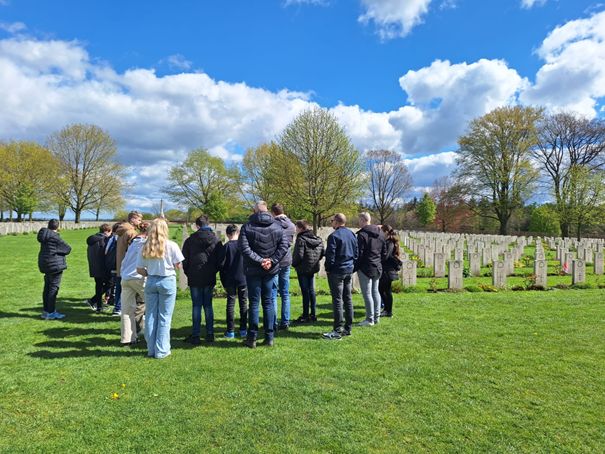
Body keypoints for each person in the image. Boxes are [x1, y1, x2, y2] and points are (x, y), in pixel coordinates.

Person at [238, 201, 289, 348]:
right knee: (268, 302)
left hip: (254, 269)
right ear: (267, 211)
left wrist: (262, 261)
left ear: (255, 210)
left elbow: (244, 249)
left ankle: (252, 338)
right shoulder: (278, 226)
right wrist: (270, 261)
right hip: (269, 270)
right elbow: (284, 246)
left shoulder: (247, 226)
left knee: (254, 303)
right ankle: (269, 337)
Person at [136, 218, 184, 359]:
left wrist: (150, 272)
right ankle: (162, 350)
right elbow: (178, 265)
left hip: (151, 281)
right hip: (167, 280)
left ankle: (151, 349)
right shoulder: (171, 245)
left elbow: (139, 269)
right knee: (164, 317)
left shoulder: (145, 246)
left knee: (150, 316)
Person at [182, 215, 221, 345]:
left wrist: (189, 272)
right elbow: (220, 260)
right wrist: (213, 271)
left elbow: (185, 260)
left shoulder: (190, 240)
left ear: (197, 225)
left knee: (196, 305)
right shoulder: (215, 240)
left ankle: (196, 334)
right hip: (209, 275)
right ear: (208, 223)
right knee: (208, 305)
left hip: (194, 275)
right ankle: (210, 334)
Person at [322, 213, 358, 340]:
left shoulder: (334, 236)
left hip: (337, 271)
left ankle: (337, 330)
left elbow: (330, 256)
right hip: (348, 269)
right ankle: (348, 328)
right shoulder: (352, 234)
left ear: (337, 222)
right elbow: (356, 253)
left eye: (332, 221)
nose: (331, 223)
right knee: (347, 298)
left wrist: (328, 269)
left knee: (337, 300)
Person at [119, 221, 148, 346]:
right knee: (154, 304)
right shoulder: (145, 243)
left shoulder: (133, 242)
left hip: (126, 277)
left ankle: (127, 338)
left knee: (126, 310)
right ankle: (152, 336)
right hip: (139, 277)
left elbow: (124, 261)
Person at [355, 212, 387, 327]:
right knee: (375, 292)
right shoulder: (381, 233)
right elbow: (384, 252)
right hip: (377, 266)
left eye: (359, 220)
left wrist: (355, 267)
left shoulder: (362, 234)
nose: (358, 222)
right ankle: (376, 317)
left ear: (363, 220)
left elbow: (359, 254)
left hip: (365, 268)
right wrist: (377, 261)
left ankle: (369, 319)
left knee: (367, 293)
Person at [217, 224, 248, 339]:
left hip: (230, 278)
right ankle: (243, 329)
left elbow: (221, 265)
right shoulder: (243, 246)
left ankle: (230, 330)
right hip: (243, 278)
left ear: (227, 234)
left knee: (230, 304)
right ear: (238, 233)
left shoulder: (226, 247)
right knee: (243, 303)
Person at [37, 219, 72, 320]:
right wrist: (59, 252)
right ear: (57, 227)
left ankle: (46, 311)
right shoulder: (55, 237)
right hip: (55, 265)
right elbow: (68, 248)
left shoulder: (43, 235)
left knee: (47, 287)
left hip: (45, 263)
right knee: (53, 288)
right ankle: (51, 312)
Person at [291, 220, 324, 323]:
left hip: (302, 269)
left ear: (301, 228)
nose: (295, 230)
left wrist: (294, 264)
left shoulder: (301, 239)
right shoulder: (317, 239)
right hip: (313, 268)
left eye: (296, 228)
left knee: (305, 292)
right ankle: (313, 314)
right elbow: (322, 252)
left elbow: (299, 256)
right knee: (311, 291)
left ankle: (305, 315)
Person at [270, 203, 296, 330]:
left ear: (273, 212)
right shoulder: (291, 225)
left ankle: (273, 322)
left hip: (275, 260)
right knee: (285, 293)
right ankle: (285, 321)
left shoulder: (273, 225)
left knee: (273, 293)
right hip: (286, 260)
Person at [115, 211, 143, 317]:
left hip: (120, 262)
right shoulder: (131, 232)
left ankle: (117, 308)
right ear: (132, 219)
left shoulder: (121, 230)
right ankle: (121, 308)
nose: (140, 222)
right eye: (139, 219)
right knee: (130, 290)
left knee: (120, 286)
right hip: (129, 264)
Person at [86, 224, 112, 313]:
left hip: (94, 266)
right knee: (110, 283)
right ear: (108, 231)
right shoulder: (103, 240)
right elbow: (105, 253)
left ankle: (99, 307)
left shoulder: (92, 239)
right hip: (102, 266)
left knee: (99, 286)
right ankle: (93, 300)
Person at [379, 225, 402, 318]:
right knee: (385, 290)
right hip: (387, 270)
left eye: (381, 231)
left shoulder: (389, 243)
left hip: (387, 270)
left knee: (384, 291)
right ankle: (387, 310)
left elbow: (386, 256)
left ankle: (388, 311)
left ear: (386, 232)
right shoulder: (389, 242)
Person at [104, 223, 121, 315]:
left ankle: (111, 300)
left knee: (112, 283)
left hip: (111, 264)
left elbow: (106, 251)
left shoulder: (111, 239)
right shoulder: (119, 239)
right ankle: (116, 305)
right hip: (118, 264)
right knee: (116, 285)